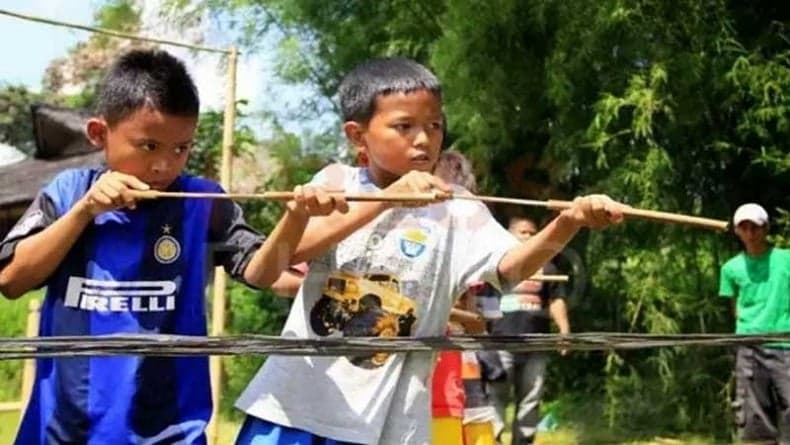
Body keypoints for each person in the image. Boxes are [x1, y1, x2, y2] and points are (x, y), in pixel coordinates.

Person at [233, 57, 626, 445]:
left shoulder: (459, 208)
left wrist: (568, 222)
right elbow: (263, 272)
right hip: (297, 410)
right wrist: (382, 201)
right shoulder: (337, 183)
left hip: (393, 424)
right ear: (357, 136)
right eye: (404, 126)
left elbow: (512, 269)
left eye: (434, 125)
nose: (424, 139)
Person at [0, 49, 346, 445]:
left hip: (171, 434)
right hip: (62, 432)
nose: (165, 164)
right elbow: (10, 280)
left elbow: (261, 272)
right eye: (148, 146)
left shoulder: (203, 202)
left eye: (180, 148)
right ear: (99, 134)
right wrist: (85, 211)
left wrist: (296, 216)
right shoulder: (68, 193)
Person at [489, 216, 569, 445]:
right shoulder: (496, 263)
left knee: (531, 399)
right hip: (500, 341)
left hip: (536, 343)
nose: (528, 236)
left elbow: (556, 300)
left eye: (532, 232)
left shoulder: (548, 266)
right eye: (523, 232)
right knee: (496, 395)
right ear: (509, 235)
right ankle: (492, 440)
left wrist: (564, 330)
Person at [719, 203, 790, 444]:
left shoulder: (786, 259)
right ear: (737, 231)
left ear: (766, 228)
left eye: (755, 227)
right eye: (744, 227)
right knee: (754, 417)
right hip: (748, 346)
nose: (750, 233)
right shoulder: (730, 268)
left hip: (785, 345)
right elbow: (735, 308)